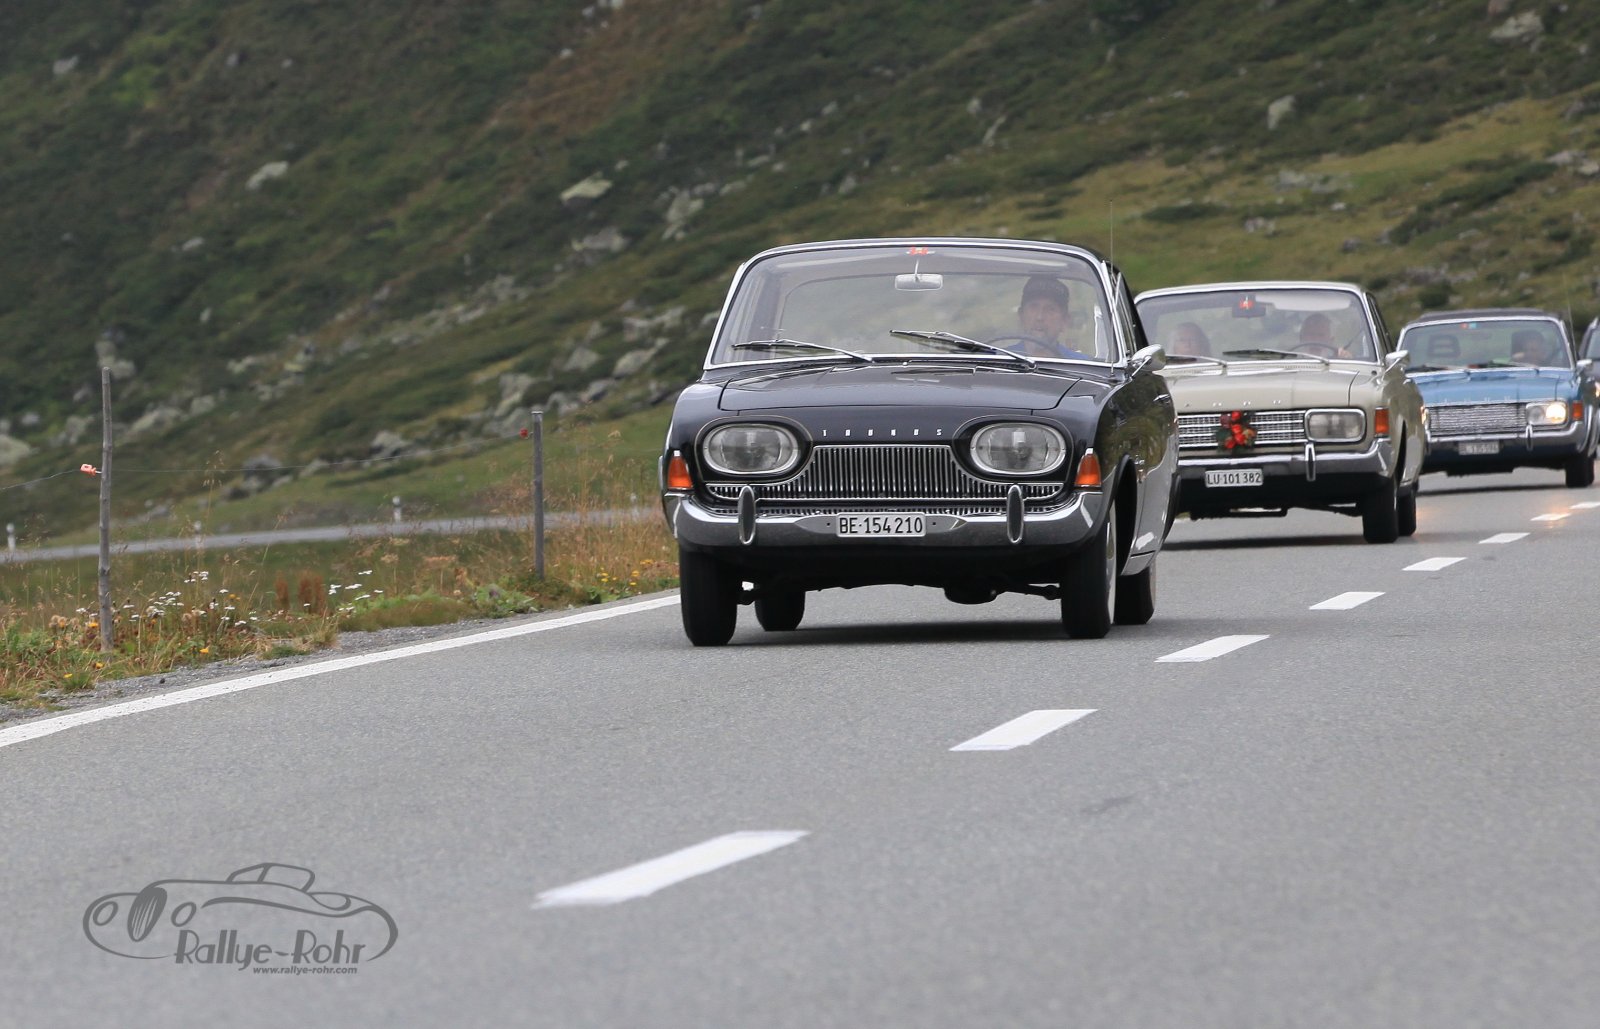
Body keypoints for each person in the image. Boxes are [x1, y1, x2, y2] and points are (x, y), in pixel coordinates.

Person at [1011, 276, 1075, 358]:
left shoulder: (1080, 364)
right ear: (1021, 316)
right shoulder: (1000, 360)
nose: (1039, 317)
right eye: (1033, 307)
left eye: (1050, 309)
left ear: (1064, 321)